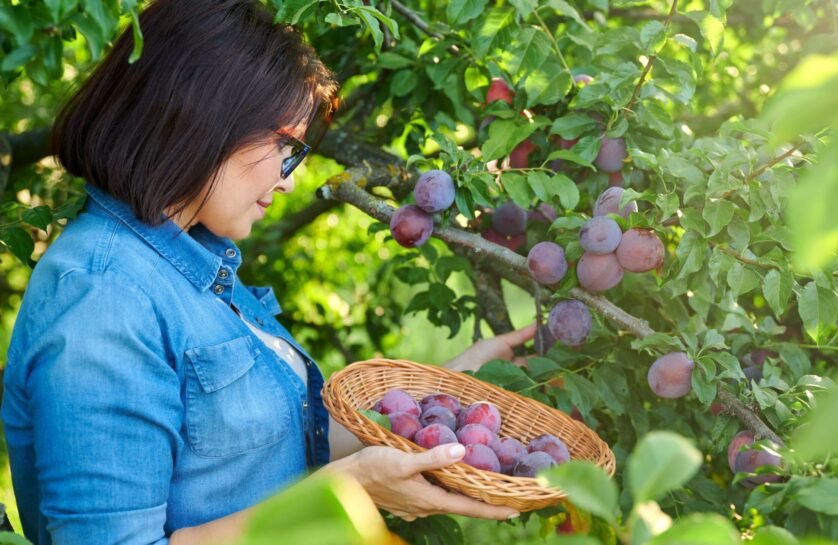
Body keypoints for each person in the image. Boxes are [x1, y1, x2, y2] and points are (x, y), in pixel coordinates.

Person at [1, 1, 536, 544]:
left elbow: (275, 457)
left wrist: (451, 392)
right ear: (202, 113)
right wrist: (347, 493)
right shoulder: (105, 297)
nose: (289, 181)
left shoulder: (192, 265)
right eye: (286, 147)